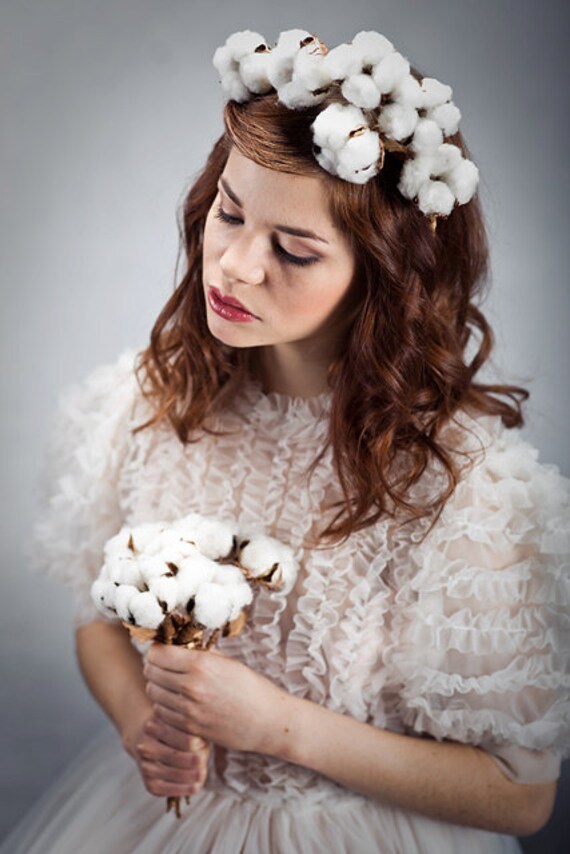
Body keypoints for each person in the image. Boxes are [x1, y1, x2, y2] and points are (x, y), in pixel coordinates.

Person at [4, 26, 569, 854]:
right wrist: (141, 722)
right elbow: (97, 619)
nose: (232, 266)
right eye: (229, 214)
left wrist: (280, 729)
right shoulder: (147, 402)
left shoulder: (461, 484)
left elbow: (521, 795)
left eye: (294, 251)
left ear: (384, 281)